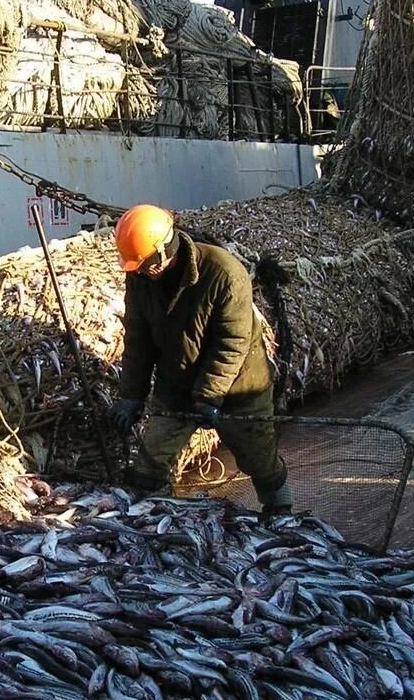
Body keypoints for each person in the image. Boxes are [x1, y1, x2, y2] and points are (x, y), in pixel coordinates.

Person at [108, 204, 293, 513]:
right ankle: (140, 519)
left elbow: (231, 343)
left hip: (239, 386)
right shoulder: (139, 278)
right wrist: (131, 396)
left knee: (258, 457)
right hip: (176, 384)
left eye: (146, 263)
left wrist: (209, 396)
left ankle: (280, 510)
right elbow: (137, 339)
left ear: (167, 248)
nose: (141, 270)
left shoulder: (224, 273)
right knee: (150, 459)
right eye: (137, 265)